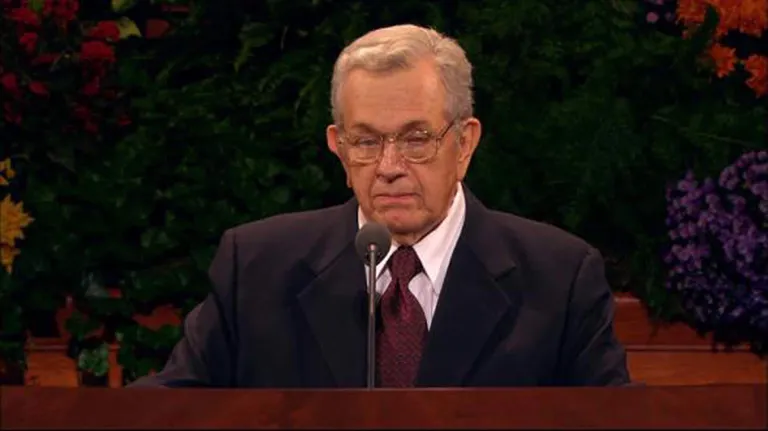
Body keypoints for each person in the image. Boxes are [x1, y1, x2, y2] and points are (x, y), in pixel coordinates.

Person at [130, 24, 630, 388]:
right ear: (338, 147)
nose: (390, 167)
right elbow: (171, 407)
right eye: (366, 142)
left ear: (464, 143)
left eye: (416, 139)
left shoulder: (559, 277)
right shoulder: (258, 267)